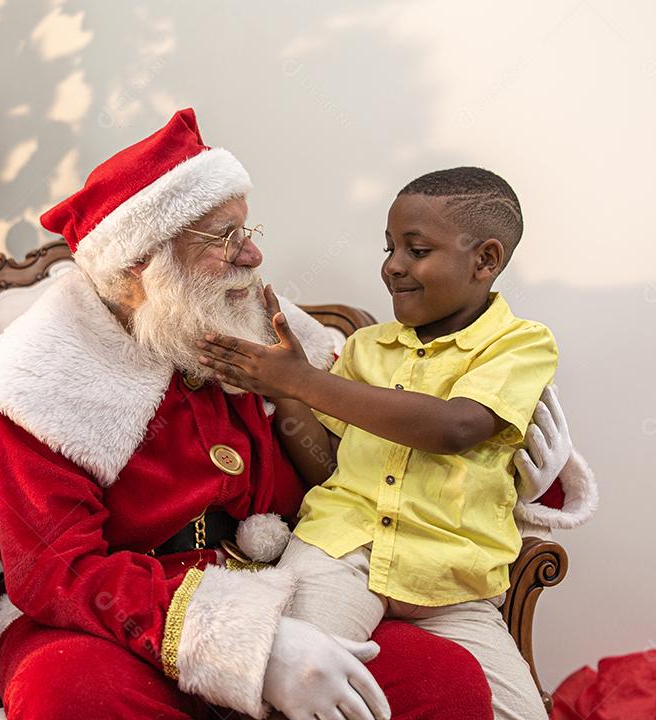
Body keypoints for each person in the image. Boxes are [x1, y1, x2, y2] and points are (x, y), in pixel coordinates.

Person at [0, 110, 593, 720]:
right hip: (120, 625)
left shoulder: (275, 338)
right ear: (142, 263)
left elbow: (376, 457)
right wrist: (246, 643)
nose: (252, 258)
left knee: (442, 680)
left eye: (248, 232)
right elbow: (54, 569)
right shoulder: (42, 379)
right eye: (224, 238)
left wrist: (517, 479)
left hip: (294, 586)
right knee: (70, 693)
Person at [196, 167, 574, 719]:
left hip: (452, 579)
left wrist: (304, 381)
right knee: (298, 683)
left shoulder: (521, 345)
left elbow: (454, 427)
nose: (393, 265)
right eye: (389, 247)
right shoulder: (365, 348)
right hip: (338, 552)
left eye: (416, 250)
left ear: (486, 260)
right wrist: (284, 391)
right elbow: (327, 466)